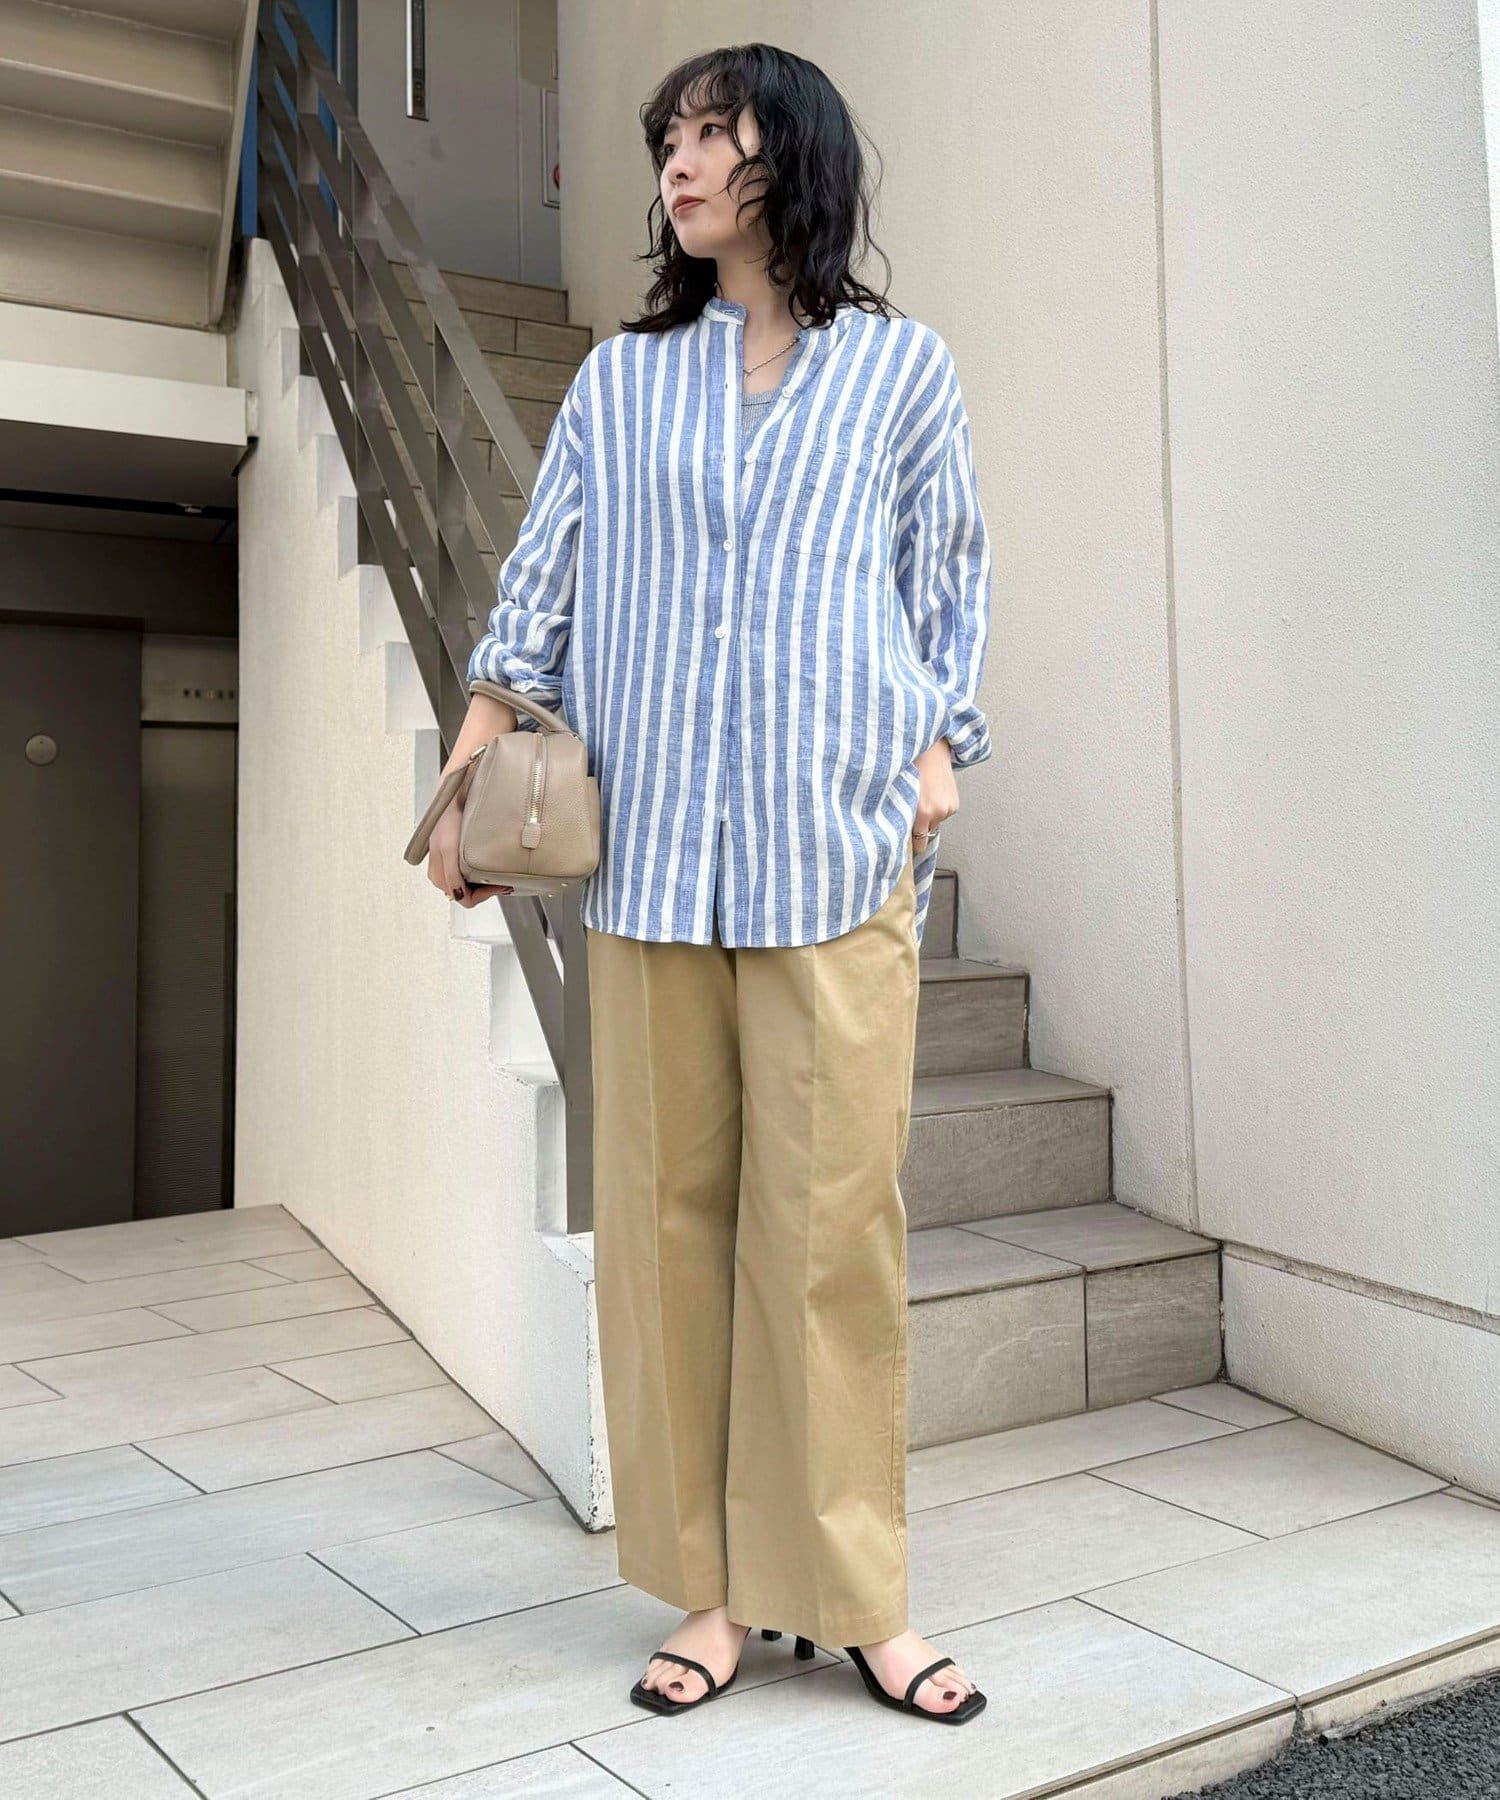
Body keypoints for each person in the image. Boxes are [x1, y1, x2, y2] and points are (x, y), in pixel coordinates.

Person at [424, 43, 991, 1724]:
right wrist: (463, 784)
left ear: (787, 157)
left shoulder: (902, 371)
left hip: (835, 854)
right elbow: (536, 594)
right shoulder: (622, 383)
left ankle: (859, 1595)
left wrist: (938, 749)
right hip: (658, 867)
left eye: (711, 132)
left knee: (831, 1237)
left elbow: (947, 580)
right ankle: (715, 1592)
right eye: (666, 137)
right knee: (668, 1231)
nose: (677, 161)